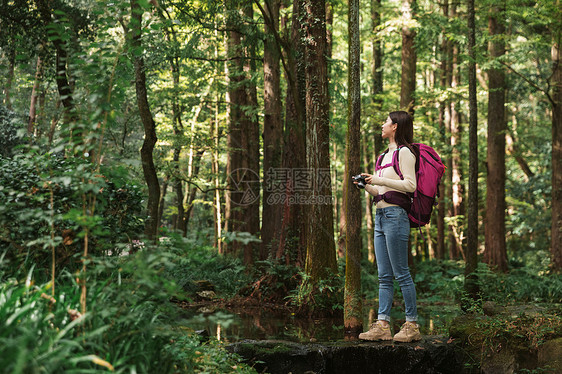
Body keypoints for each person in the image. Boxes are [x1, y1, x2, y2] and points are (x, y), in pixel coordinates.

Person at [355, 111, 421, 343]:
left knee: (401, 273)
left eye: (386, 122)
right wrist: (366, 185)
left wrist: (379, 180)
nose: (382, 125)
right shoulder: (383, 156)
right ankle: (383, 325)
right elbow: (380, 192)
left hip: (396, 216)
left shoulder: (405, 152)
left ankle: (411, 324)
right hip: (380, 216)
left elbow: (410, 186)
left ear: (395, 127)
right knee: (384, 276)